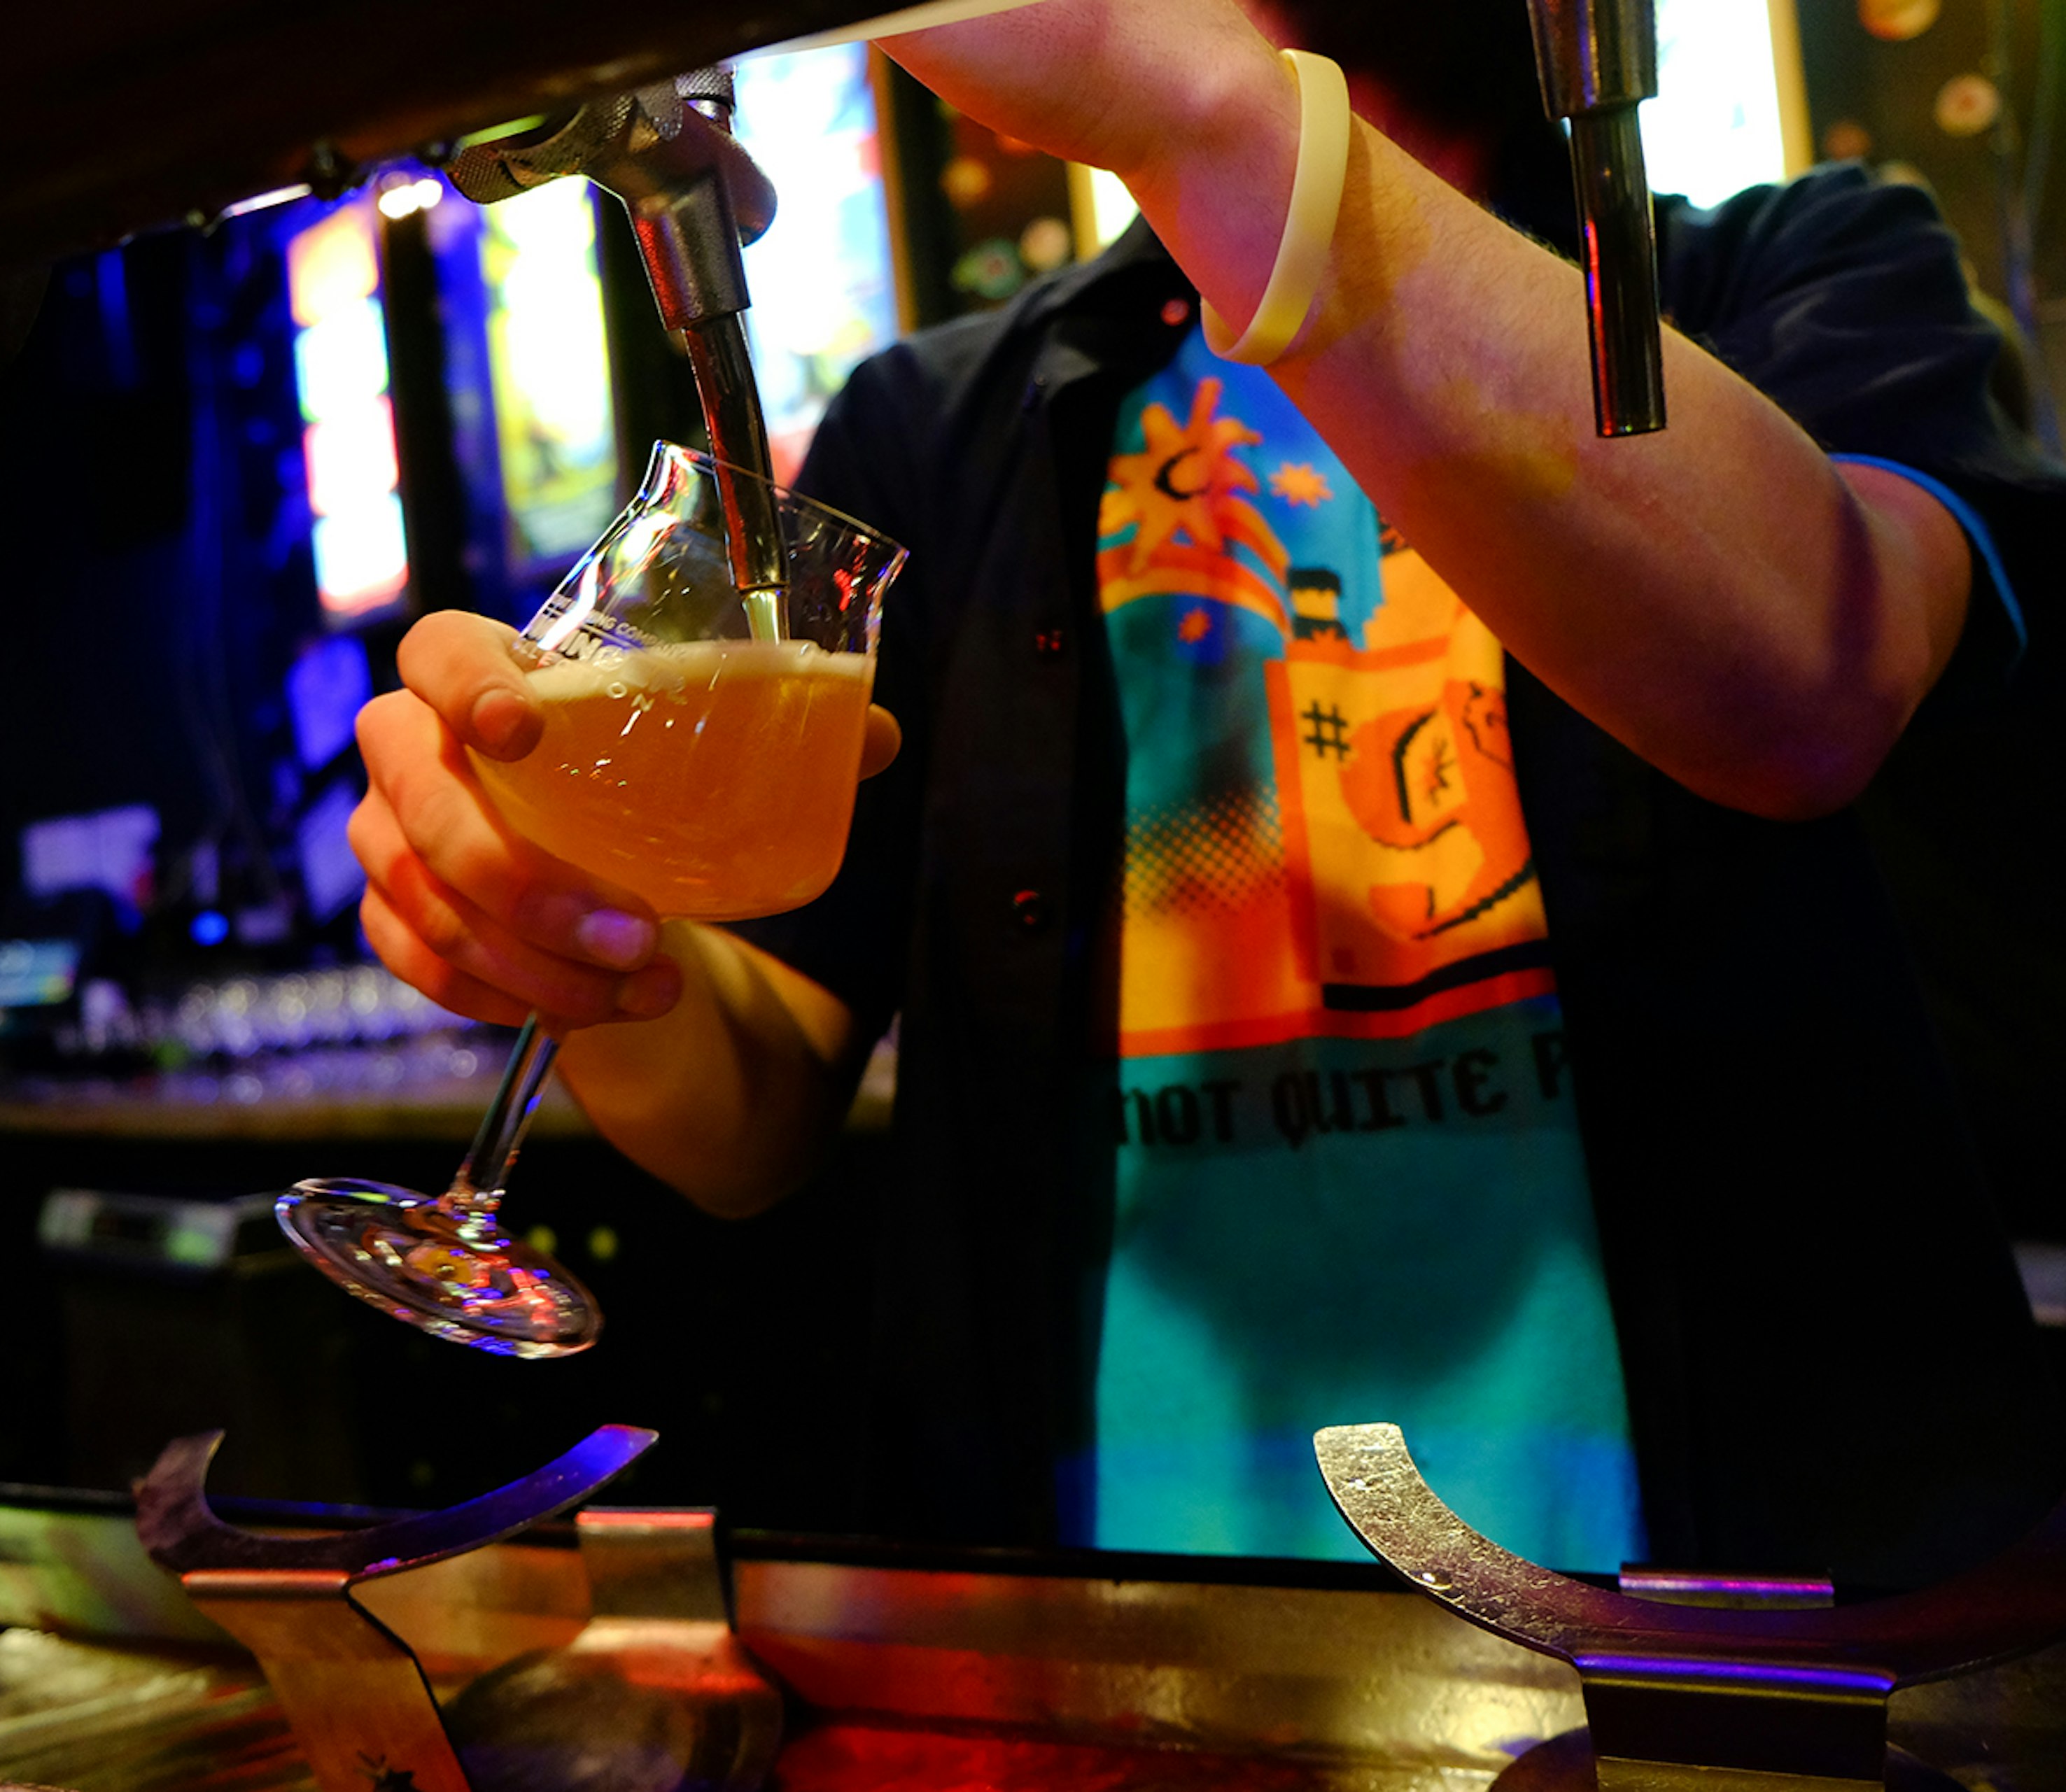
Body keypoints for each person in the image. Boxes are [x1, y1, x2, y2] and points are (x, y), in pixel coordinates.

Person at [350, 0, 2066, 1585]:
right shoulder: (939, 424)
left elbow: (1806, 685)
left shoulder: (1804, 272)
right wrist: (570, 930)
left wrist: (1195, 107)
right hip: (1131, 1631)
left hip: (1738, 1613)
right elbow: (753, 1112)